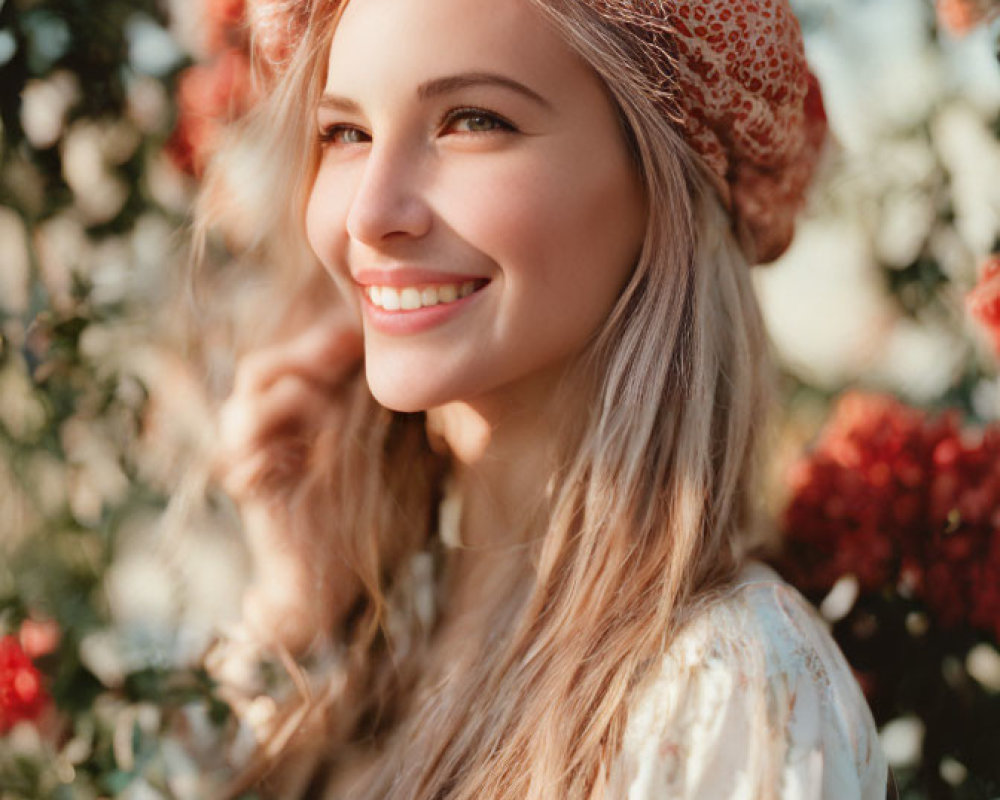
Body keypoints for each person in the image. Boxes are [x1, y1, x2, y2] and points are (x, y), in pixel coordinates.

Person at [195, 0, 891, 797]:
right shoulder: (392, 623)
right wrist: (297, 613)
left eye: (473, 120)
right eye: (345, 133)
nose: (370, 213)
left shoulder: (723, 688)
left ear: (661, 181)